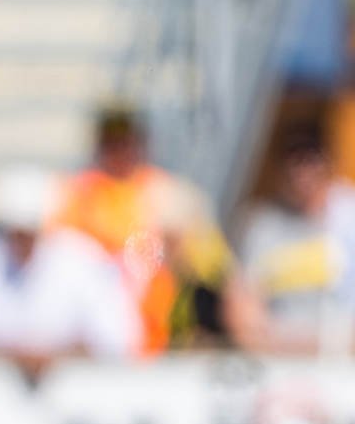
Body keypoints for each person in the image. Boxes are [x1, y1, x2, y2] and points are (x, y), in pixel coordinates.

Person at [54, 105, 249, 353]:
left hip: (158, 327)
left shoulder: (168, 192)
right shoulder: (77, 194)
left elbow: (216, 264)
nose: (120, 150)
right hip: (96, 327)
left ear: (140, 143)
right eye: (112, 142)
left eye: (126, 141)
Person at [0, 165, 140, 371]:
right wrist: (14, 354)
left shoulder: (84, 259)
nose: (22, 240)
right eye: (14, 231)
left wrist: (56, 355)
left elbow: (115, 341)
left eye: (30, 230)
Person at [234, 130, 355, 354]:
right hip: (279, 359)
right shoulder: (262, 226)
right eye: (294, 161)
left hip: (344, 362)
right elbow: (242, 306)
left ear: (328, 164)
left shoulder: (347, 216)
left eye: (311, 160)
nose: (303, 171)